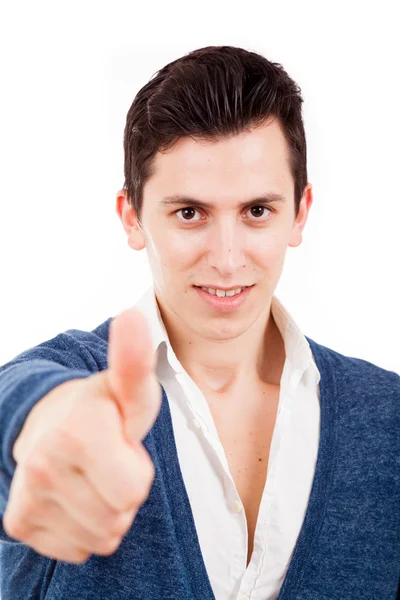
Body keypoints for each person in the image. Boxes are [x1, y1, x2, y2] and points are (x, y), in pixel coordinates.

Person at [0, 45, 398, 600]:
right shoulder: (77, 378)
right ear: (133, 217)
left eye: (257, 211)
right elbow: (14, 407)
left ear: (299, 213)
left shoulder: (389, 417)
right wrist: (40, 427)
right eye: (190, 213)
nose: (228, 258)